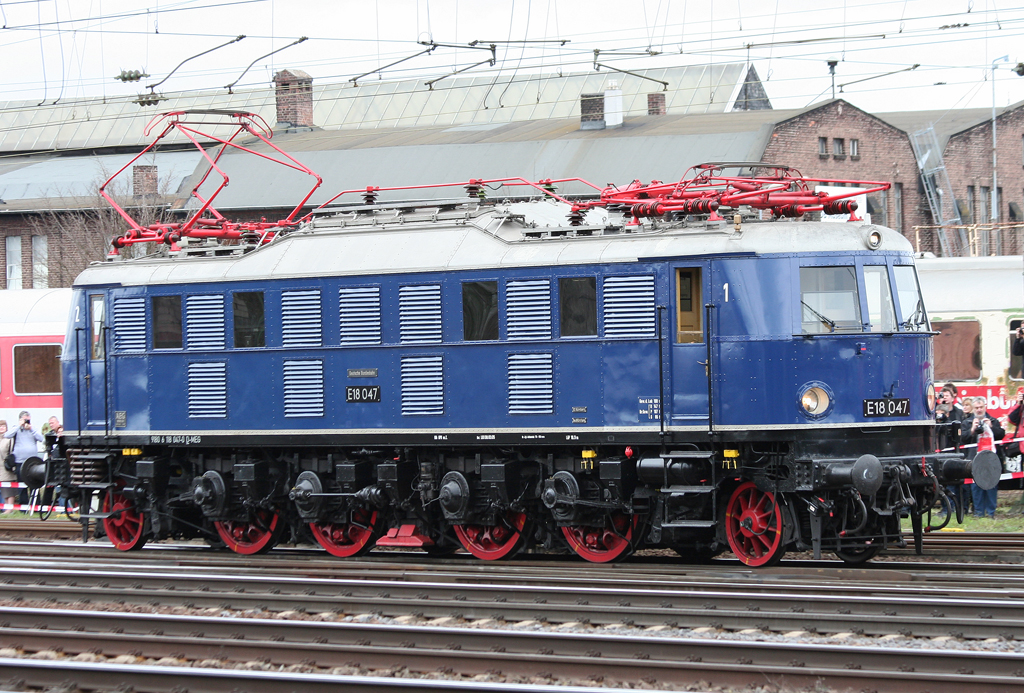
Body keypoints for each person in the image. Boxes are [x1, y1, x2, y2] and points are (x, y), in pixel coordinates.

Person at [961, 396, 1004, 519]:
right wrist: (972, 429)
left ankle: (991, 512)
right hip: (975, 457)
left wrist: (991, 427)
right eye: (976, 408)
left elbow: (1001, 435)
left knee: (991, 485)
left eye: (981, 407)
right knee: (976, 486)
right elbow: (962, 439)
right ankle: (978, 512)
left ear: (985, 407)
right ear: (973, 409)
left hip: (991, 458)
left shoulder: (993, 420)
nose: (979, 410)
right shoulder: (967, 422)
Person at [3, 411, 44, 506]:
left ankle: (36, 505)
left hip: (33, 462)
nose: (27, 422)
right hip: (20, 462)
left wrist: (31, 428)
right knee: (22, 486)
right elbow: (7, 435)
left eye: (28, 420)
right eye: (25, 420)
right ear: (20, 419)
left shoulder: (33, 429)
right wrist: (19, 426)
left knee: (34, 484)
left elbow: (41, 439)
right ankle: (23, 506)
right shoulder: (15, 429)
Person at [0, 420, 14, 513]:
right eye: (0, 426)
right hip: (0, 468)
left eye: (3, 426)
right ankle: (6, 507)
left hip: (7, 467)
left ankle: (10, 508)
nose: (1, 428)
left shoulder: (9, 439)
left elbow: (12, 452)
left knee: (10, 489)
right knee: (4, 489)